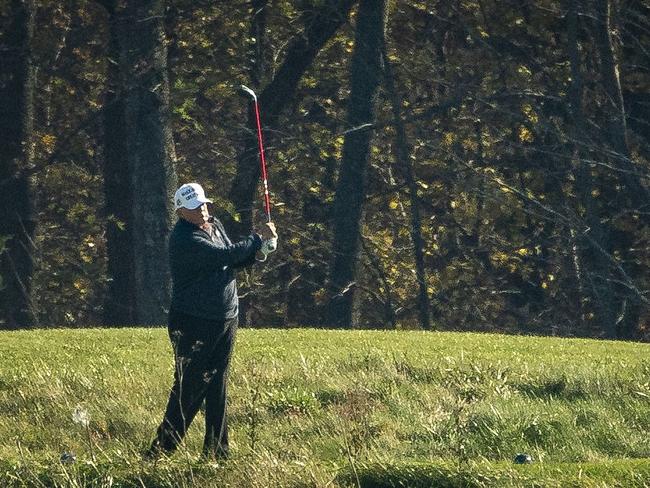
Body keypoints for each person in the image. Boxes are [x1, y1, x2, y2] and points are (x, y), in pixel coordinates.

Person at [147, 182, 277, 460]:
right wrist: (257, 238)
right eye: (195, 207)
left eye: (204, 204)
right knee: (190, 386)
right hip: (193, 321)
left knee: (217, 384)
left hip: (225, 317)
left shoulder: (214, 224)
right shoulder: (184, 239)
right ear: (181, 211)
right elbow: (224, 255)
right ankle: (160, 452)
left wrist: (260, 251)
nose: (203, 210)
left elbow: (233, 260)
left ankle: (217, 452)